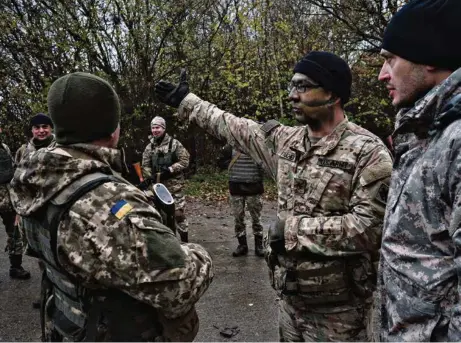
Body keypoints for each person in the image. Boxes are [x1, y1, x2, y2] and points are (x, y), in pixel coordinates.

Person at [155, 53, 393, 341]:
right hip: (290, 304)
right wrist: (188, 101)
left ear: (333, 94)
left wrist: (291, 232)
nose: (292, 95)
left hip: (340, 314)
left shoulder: (367, 152)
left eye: (303, 86)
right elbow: (233, 126)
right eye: (291, 86)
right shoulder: (286, 142)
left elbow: (371, 228)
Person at [9, 72, 213, 341]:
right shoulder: (108, 203)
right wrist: (197, 253)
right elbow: (180, 286)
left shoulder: (34, 178)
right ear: (113, 127)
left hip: (66, 324)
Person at [375, 0, 461, 341]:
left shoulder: (455, 140)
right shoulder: (427, 132)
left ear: (428, 59)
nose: (383, 74)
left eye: (390, 59)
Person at [15, 113, 55, 308]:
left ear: (51, 128)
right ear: (31, 130)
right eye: (37, 127)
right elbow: (18, 183)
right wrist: (18, 212)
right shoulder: (23, 151)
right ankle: (46, 294)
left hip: (54, 209)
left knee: (58, 254)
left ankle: (62, 296)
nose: (41, 131)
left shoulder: (60, 148)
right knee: (41, 256)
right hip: (32, 212)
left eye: (45, 127)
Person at [141, 116, 191, 243]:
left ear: (163, 128)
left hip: (175, 187)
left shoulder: (174, 144)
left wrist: (170, 170)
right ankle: (169, 243)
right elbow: (145, 164)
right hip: (158, 188)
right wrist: (149, 177)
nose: (155, 130)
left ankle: (185, 243)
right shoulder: (149, 147)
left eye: (157, 127)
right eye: (153, 128)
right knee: (160, 217)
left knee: (179, 215)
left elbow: (185, 161)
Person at [218, 144, 265, 257]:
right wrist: (229, 163)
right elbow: (220, 163)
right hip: (236, 188)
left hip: (254, 187)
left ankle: (259, 246)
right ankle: (242, 245)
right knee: (238, 218)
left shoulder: (257, 147)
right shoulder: (230, 147)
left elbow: (267, 165)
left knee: (256, 219)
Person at [0, 126, 31, 280]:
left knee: (15, 233)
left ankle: (16, 267)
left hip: (8, 198)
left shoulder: (4, 147)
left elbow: (13, 171)